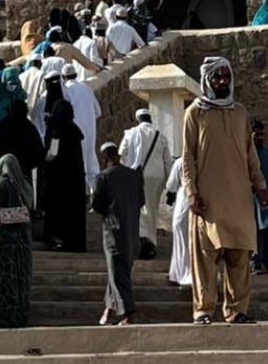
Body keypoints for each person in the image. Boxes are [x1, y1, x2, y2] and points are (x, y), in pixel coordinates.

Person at [183, 56, 268, 324]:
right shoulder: (195, 113)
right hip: (208, 199)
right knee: (205, 257)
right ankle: (203, 310)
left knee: (240, 255)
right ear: (207, 80)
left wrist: (260, 186)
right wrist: (191, 192)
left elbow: (250, 154)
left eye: (226, 76)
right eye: (217, 77)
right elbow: (188, 156)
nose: (222, 81)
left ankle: (236, 310)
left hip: (239, 198)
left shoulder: (240, 113)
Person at [92, 142, 145, 325]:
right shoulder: (134, 176)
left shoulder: (103, 177)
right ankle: (109, 309)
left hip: (113, 230)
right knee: (119, 270)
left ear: (105, 157)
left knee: (117, 271)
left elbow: (97, 204)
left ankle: (129, 312)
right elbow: (141, 201)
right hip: (132, 229)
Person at [0, 154, 34, 328]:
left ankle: (1, 317)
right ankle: (19, 315)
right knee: (19, 280)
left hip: (3, 242)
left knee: (2, 279)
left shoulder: (3, 184)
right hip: (22, 243)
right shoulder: (25, 186)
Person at [119, 108, 173, 258]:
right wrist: (171, 185)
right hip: (157, 176)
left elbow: (122, 154)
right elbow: (167, 162)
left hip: (136, 175)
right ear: (150, 119)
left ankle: (143, 241)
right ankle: (150, 241)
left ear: (137, 120)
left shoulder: (130, 133)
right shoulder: (160, 136)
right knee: (152, 208)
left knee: (140, 208)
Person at [40, 97, 88, 251]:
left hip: (58, 179)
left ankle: (58, 240)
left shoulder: (57, 129)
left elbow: (52, 154)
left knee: (57, 211)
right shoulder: (74, 130)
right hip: (75, 179)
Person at [0, 97, 45, 190]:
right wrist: (27, 164)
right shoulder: (29, 128)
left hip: (1, 169)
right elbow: (39, 153)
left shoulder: (0, 126)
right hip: (23, 172)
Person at [63, 64, 102, 188]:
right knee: (91, 161)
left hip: (74, 133)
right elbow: (98, 112)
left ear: (63, 77)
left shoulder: (66, 91)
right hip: (90, 131)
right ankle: (96, 190)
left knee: (79, 163)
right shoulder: (86, 88)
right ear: (76, 75)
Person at [250, 119, 268, 274]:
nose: (260, 138)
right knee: (256, 231)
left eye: (262, 135)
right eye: (257, 135)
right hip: (253, 198)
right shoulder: (246, 154)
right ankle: (255, 262)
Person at [166, 157, 191, 286]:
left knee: (181, 243)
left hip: (184, 205)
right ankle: (178, 274)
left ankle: (182, 274)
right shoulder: (206, 160)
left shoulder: (181, 162)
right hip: (201, 207)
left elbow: (171, 185)